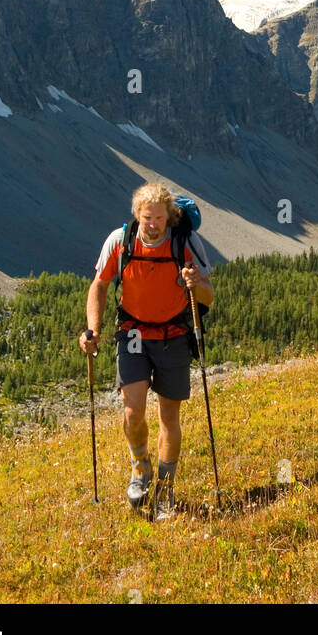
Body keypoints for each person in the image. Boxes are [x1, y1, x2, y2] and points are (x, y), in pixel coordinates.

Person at [79, 183, 214, 518]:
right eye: (146, 217)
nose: (152, 224)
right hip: (134, 334)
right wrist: (93, 330)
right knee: (132, 411)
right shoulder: (120, 241)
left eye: (158, 218)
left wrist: (196, 284)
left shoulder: (186, 243)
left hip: (174, 334)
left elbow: (209, 298)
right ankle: (141, 466)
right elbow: (99, 285)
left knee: (169, 416)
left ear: (168, 217)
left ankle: (166, 491)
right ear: (136, 215)